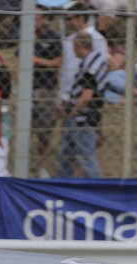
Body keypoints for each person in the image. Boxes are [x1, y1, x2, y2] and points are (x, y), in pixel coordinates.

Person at [58, 31, 107, 179]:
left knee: (87, 157)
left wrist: (75, 110)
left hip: (82, 117)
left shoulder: (89, 67)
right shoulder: (96, 60)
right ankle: (62, 183)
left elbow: (87, 95)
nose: (72, 50)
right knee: (66, 153)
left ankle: (97, 189)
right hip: (82, 115)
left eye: (73, 47)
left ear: (78, 46)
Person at [30, 10, 62, 179]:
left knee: (44, 130)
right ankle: (24, 163)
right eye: (31, 19)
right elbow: (19, 59)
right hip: (27, 89)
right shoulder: (26, 35)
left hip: (46, 89)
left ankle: (41, 165)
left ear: (44, 20)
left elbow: (58, 62)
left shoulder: (53, 37)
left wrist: (37, 61)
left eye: (36, 19)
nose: (34, 22)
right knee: (24, 128)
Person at [59, 11, 107, 106]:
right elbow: (66, 72)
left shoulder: (98, 38)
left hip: (87, 94)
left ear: (80, 18)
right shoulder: (69, 40)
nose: (66, 22)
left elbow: (99, 68)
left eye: (69, 19)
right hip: (70, 94)